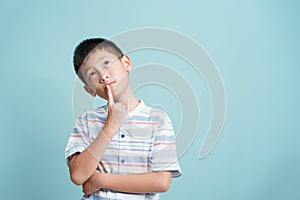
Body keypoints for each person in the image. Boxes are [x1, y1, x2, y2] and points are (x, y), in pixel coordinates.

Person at [65, 38, 182, 200]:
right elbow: (78, 175)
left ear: (126, 63)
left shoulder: (157, 120)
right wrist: (111, 125)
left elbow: (162, 182)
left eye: (106, 63)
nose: (103, 76)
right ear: (89, 89)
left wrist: (100, 180)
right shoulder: (87, 120)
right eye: (92, 74)